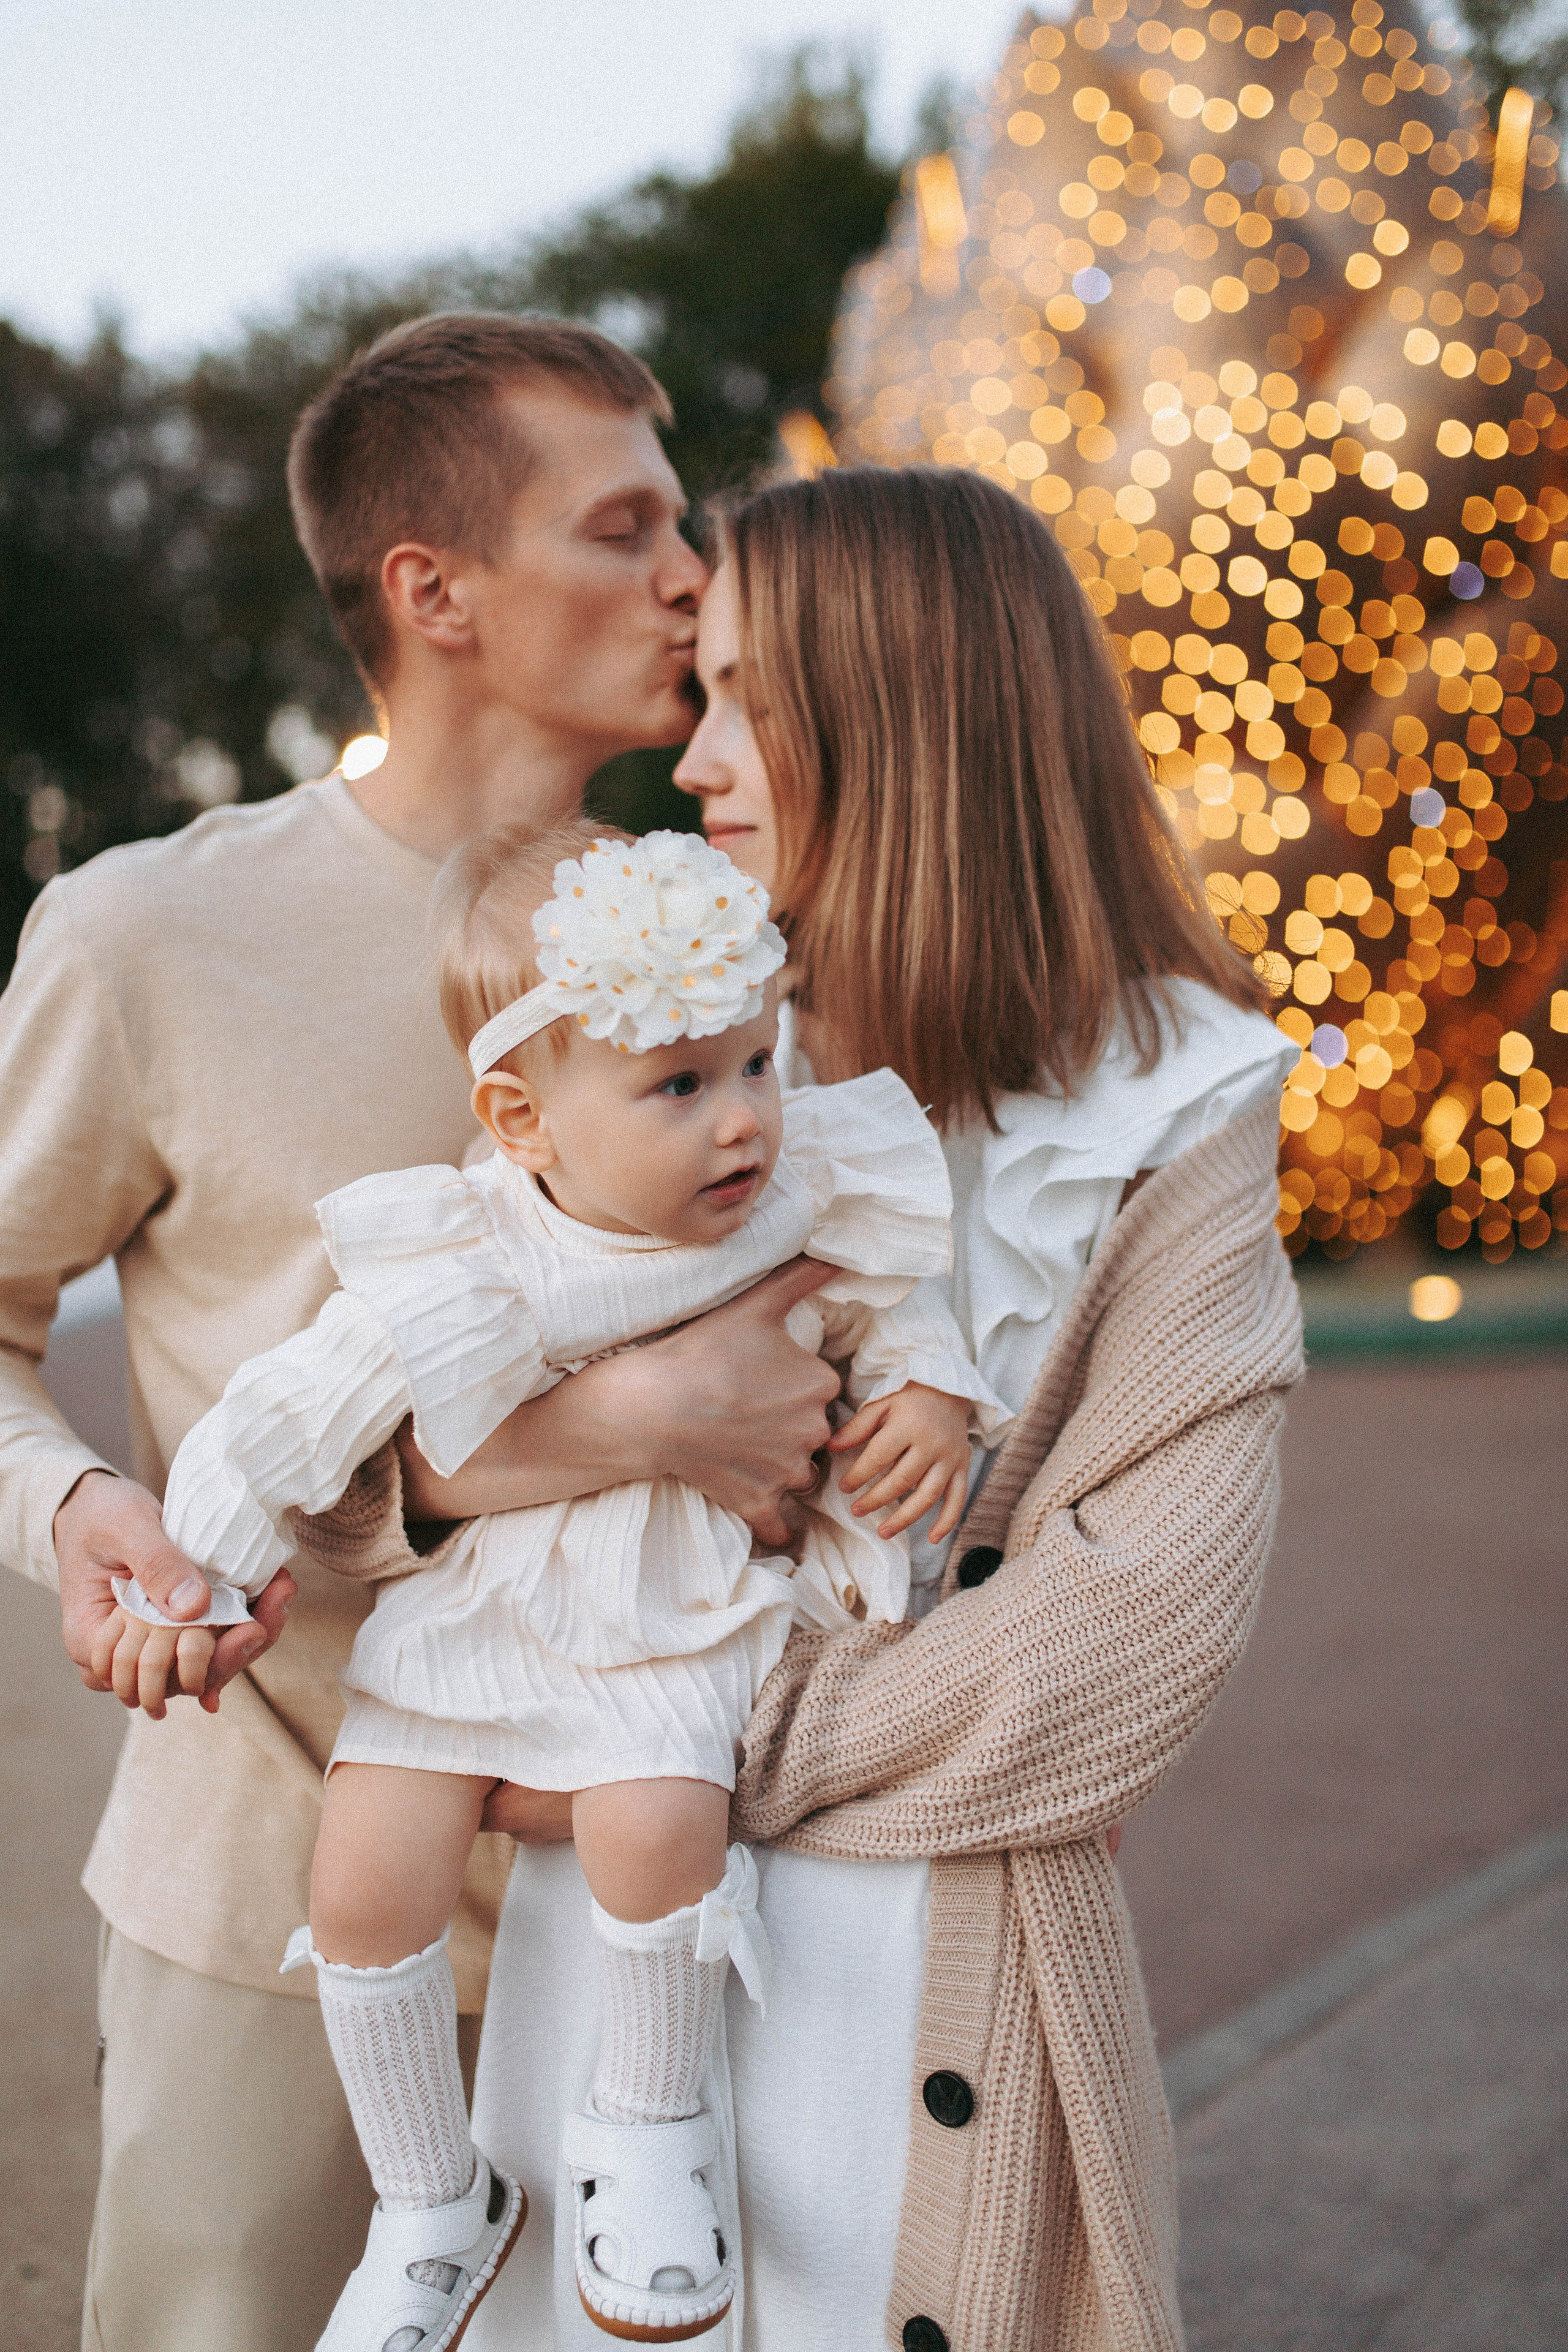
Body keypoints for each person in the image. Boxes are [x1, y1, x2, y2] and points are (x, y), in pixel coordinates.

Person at [337, 464, 1303, 2350]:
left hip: (920, 1977)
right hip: (617, 1986)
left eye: (743, 698)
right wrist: (626, 1431)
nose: (691, 763)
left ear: (905, 715)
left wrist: (644, 1750)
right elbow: (375, 1459)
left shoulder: (1180, 1107)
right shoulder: (652, 1049)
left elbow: (1128, 1641)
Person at [0, 312, 845, 2352]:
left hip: (673, 1894)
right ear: (433, 590)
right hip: (288, 1902)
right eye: (629, 526)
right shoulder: (149, 933)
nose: (693, 582)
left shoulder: (744, 918)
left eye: (692, 528)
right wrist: (79, 1502)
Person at [105, 817, 1003, 2347]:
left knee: (660, 1818)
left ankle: (650, 2134)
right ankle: (430, 2203)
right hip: (479, 1620)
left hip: (670, 1606)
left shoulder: (795, 1205)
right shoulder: (472, 1254)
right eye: (678, 1086)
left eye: (756, 1067)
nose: (742, 1125)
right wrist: (193, 1576)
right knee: (364, 1869)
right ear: (522, 1120)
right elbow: (291, 1417)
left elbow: (890, 1297)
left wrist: (929, 1395)